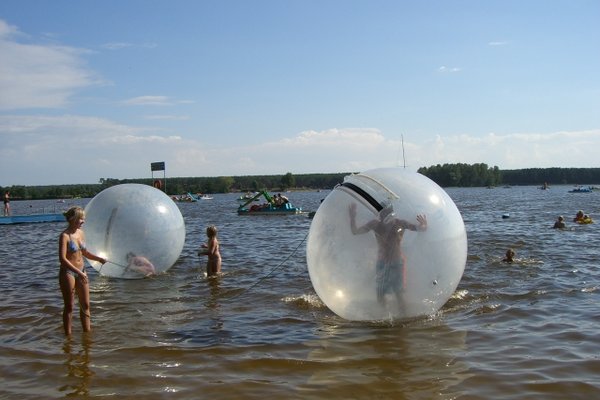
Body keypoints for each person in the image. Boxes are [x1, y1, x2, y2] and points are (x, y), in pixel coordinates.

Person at [349, 202, 427, 305]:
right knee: (380, 294)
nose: (383, 215)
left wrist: (424, 223)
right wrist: (352, 216)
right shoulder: (375, 224)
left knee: (398, 294)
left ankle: (404, 318)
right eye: (382, 212)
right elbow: (355, 231)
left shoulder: (399, 223)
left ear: (391, 213)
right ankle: (382, 317)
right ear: (379, 213)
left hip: (396, 262)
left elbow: (421, 229)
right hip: (382, 263)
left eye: (386, 212)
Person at [58, 206, 106, 336]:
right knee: (69, 307)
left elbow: (85, 252)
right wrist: (78, 273)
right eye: (81, 219)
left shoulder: (81, 233)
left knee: (86, 305)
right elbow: (62, 259)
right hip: (68, 273)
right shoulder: (65, 236)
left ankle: (87, 335)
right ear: (73, 219)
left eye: (83, 219)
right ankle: (68, 336)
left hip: (82, 270)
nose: (83, 221)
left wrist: (99, 259)